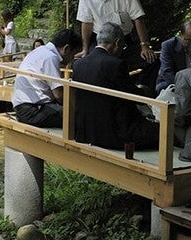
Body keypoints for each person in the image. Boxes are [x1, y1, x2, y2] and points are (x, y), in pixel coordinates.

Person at [68, 22, 160, 151]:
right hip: (113, 133)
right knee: (163, 131)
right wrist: (143, 90)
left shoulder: (78, 64)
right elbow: (133, 95)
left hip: (85, 131)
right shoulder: (115, 64)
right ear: (117, 43)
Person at [76, 0, 155, 87]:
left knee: (151, 61)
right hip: (99, 41)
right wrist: (85, 49)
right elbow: (86, 23)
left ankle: (141, 91)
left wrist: (144, 45)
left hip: (124, 40)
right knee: (93, 65)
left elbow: (138, 18)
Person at [12, 29, 82, 129]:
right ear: (66, 49)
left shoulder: (40, 50)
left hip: (23, 106)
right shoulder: (51, 58)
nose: (72, 59)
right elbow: (59, 95)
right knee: (77, 114)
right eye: (74, 54)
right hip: (32, 110)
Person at [156, 20, 191, 94]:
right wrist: (185, 87)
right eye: (189, 40)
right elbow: (167, 72)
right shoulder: (169, 46)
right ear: (181, 36)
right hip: (173, 83)